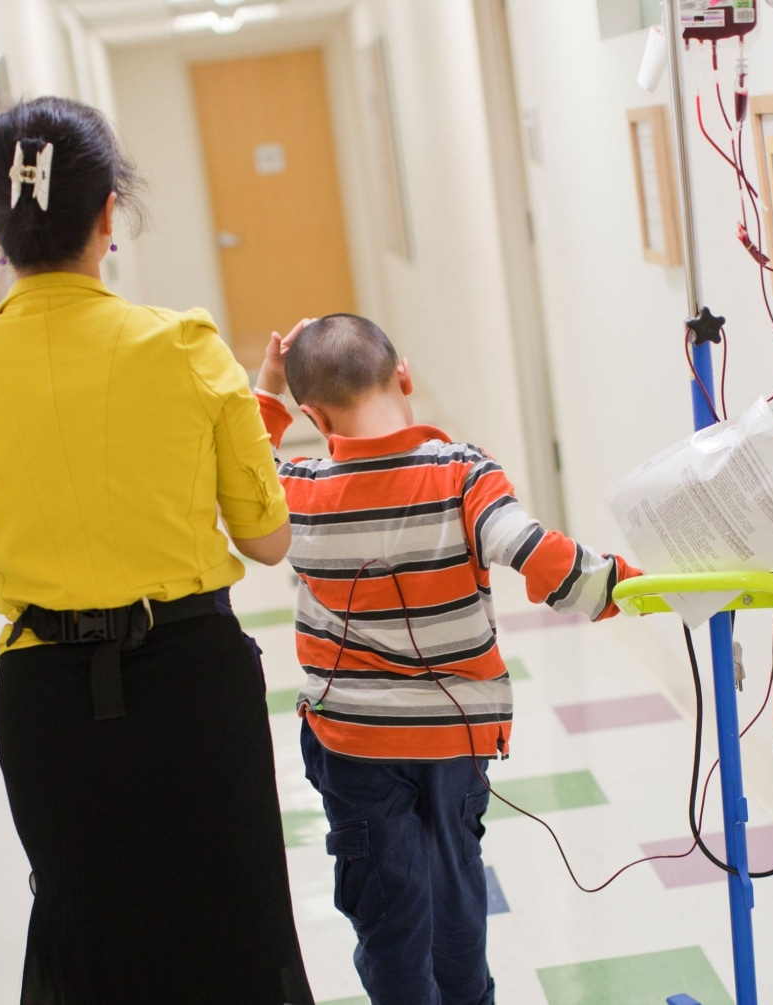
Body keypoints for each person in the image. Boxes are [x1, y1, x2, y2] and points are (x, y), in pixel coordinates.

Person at [0, 96, 314, 1005]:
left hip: (47, 707)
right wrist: (257, 421)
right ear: (107, 215)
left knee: (87, 936)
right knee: (233, 928)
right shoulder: (184, 348)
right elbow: (265, 538)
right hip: (193, 689)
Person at [253, 313, 642, 1005]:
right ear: (403, 374)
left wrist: (269, 392)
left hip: (354, 747)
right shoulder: (463, 472)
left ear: (312, 413)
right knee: (459, 900)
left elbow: (246, 478)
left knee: (389, 917)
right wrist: (621, 586)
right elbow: (532, 550)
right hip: (453, 742)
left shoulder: (299, 492)